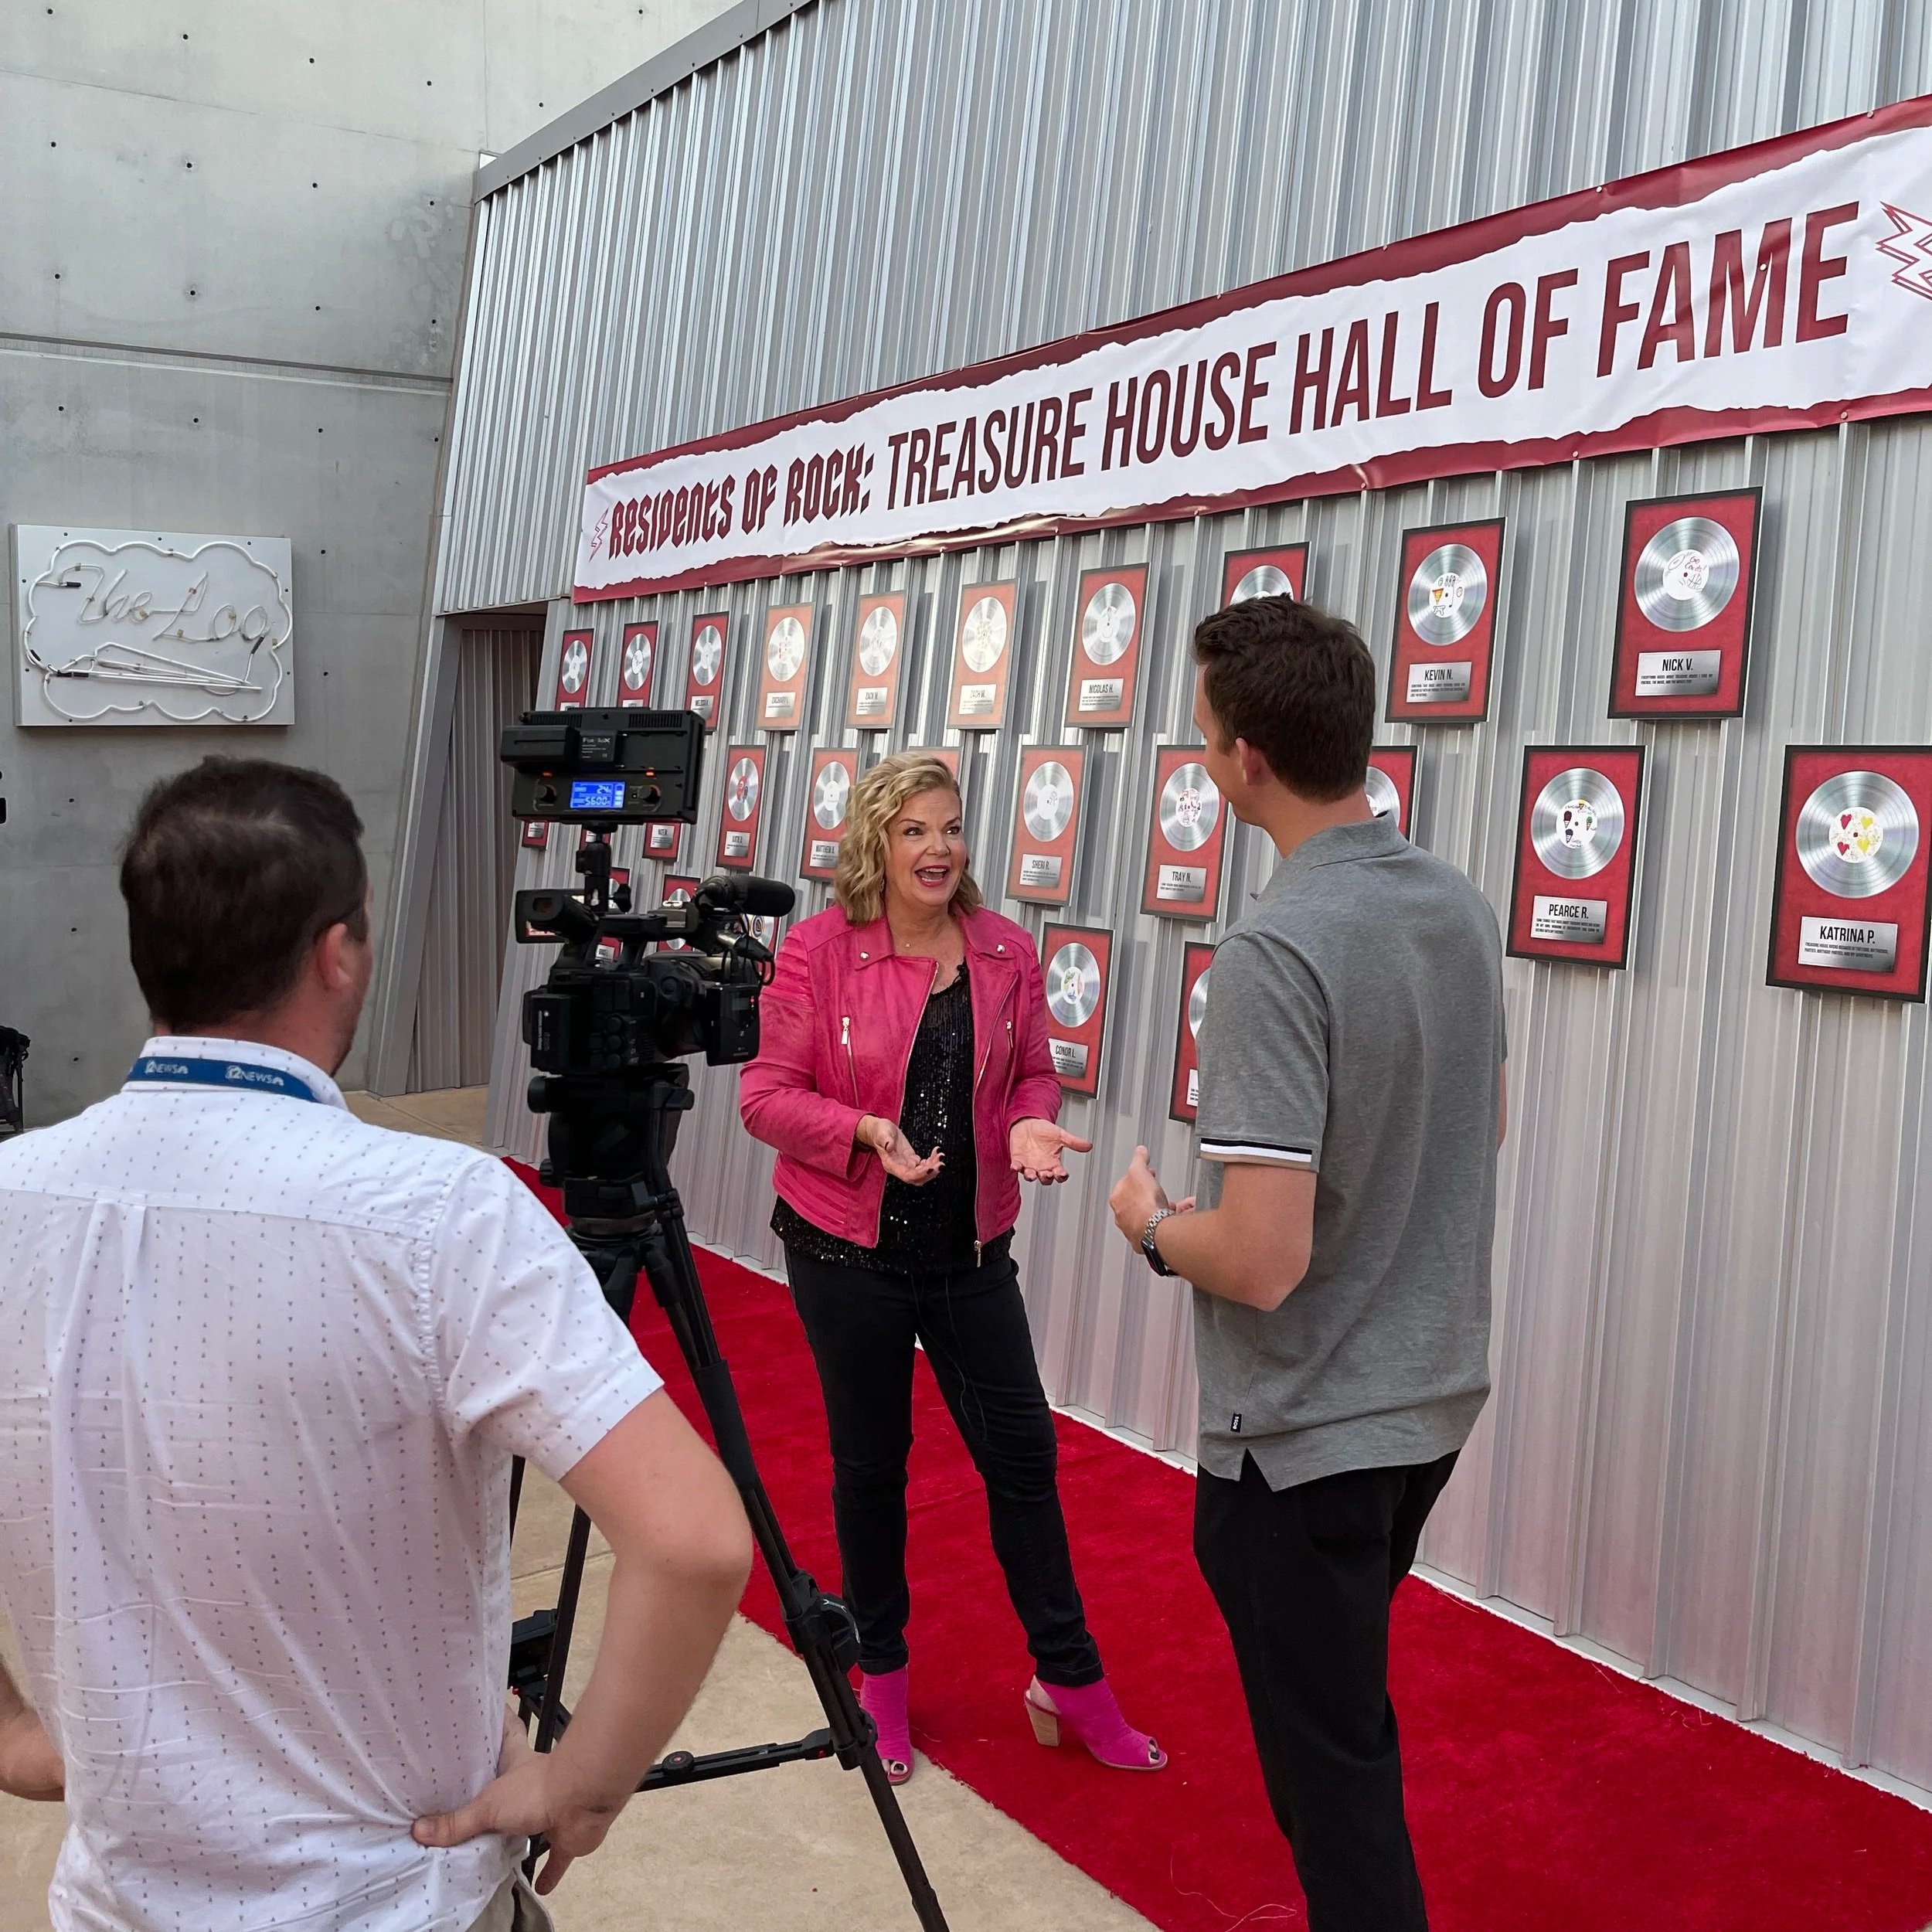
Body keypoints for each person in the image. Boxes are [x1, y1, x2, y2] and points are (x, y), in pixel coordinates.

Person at [0, 758, 752, 1932]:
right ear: (336, 951)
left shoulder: (11, 1195)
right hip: (397, 1900)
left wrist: (12, 1732)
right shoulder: (439, 1213)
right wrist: (581, 1782)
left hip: (116, 1903)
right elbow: (698, 1542)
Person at [1107, 597, 1506, 1932]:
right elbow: (1479, 1124)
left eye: (1207, 738)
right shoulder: (1452, 901)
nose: (1206, 756)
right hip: (1427, 1406)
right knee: (1348, 1731)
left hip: (1303, 1441)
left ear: (1249, 764)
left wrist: (1153, 1228)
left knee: (1336, 1792)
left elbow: (1263, 1260)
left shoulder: (1274, 955)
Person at [740, 750, 1163, 1784]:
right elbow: (764, 1097)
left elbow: (1030, 1075)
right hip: (847, 1254)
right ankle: (879, 1679)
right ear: (877, 843)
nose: (939, 849)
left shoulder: (1007, 950)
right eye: (916, 830)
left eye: (952, 827)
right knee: (872, 1471)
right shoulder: (816, 951)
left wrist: (1028, 1127)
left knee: (1024, 1463)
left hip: (970, 1257)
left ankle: (1066, 1678)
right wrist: (866, 1131)